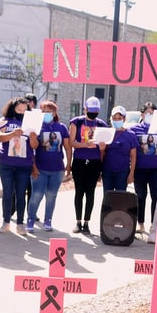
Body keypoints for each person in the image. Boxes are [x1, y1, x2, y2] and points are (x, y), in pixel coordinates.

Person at [27, 100, 70, 232]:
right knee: (36, 195)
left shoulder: (61, 127)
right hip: (40, 168)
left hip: (57, 169)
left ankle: (48, 220)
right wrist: (33, 137)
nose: (47, 114)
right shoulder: (36, 127)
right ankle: (30, 220)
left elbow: (67, 147)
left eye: (49, 111)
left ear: (55, 112)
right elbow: (32, 148)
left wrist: (69, 164)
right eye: (44, 111)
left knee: (51, 196)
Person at [69, 96, 108, 234]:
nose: (93, 113)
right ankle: (78, 222)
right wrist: (86, 144)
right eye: (90, 110)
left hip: (95, 162)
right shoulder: (77, 122)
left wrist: (102, 148)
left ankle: (87, 223)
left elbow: (104, 147)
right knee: (79, 191)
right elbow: (72, 142)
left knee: (90, 192)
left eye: (95, 110)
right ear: (85, 109)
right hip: (79, 161)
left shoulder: (102, 124)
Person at [0, 96, 35, 235]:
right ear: (13, 108)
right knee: (7, 193)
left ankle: (20, 224)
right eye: (19, 109)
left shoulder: (32, 123)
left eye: (25, 109)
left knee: (20, 194)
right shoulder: (6, 120)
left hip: (24, 165)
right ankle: (6, 222)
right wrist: (12, 133)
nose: (22, 111)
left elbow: (35, 145)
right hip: (6, 163)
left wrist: (33, 137)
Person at [128, 102, 157, 232]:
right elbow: (131, 150)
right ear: (142, 114)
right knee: (140, 196)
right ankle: (140, 223)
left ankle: (154, 225)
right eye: (147, 113)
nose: (150, 115)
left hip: (155, 169)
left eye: (152, 113)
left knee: (155, 196)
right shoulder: (134, 129)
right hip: (140, 169)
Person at [101, 105, 137, 192]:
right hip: (107, 171)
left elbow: (133, 156)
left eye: (119, 118)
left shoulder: (130, 135)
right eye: (114, 118)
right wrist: (101, 150)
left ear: (124, 119)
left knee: (120, 199)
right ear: (111, 119)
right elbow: (102, 154)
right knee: (107, 197)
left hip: (122, 172)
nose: (117, 120)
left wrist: (131, 173)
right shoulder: (106, 133)